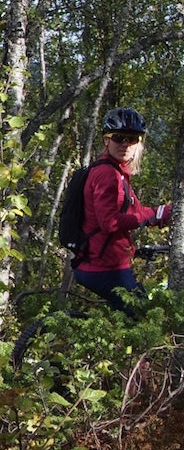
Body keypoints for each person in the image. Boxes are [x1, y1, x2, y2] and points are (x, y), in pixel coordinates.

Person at [72, 107, 171, 313]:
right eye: (119, 137)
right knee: (144, 318)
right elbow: (110, 222)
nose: (125, 144)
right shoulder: (107, 174)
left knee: (131, 313)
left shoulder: (117, 173)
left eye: (132, 139)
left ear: (139, 143)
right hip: (105, 267)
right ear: (106, 140)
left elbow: (135, 212)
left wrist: (163, 213)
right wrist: (153, 215)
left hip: (102, 262)